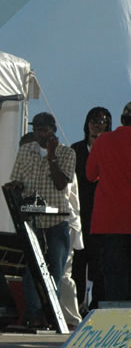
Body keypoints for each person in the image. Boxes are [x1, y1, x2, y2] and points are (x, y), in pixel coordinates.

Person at [6, 112, 76, 328]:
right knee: (32, 269)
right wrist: (16, 189)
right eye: (36, 129)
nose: (40, 134)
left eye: (44, 130)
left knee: (54, 269)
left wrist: (52, 155)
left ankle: (51, 314)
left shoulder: (67, 152)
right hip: (32, 218)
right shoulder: (26, 150)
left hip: (57, 220)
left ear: (54, 130)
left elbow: (61, 184)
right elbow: (15, 179)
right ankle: (33, 315)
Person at [20, 132, 83, 328]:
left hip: (63, 222)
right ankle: (41, 314)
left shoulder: (58, 161)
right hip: (38, 222)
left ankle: (69, 319)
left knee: (61, 273)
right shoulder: (32, 167)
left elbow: (61, 189)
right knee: (37, 269)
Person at [86, 102, 131, 301]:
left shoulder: (103, 141)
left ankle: (118, 323)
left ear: (122, 120)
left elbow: (90, 175)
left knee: (114, 274)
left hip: (110, 220)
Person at [70, 107, 111, 311]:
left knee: (99, 263)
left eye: (102, 121)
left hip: (103, 213)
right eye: (93, 121)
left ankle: (96, 306)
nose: (97, 124)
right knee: (77, 261)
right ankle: (76, 305)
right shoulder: (76, 149)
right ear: (87, 123)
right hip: (80, 212)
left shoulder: (111, 149)